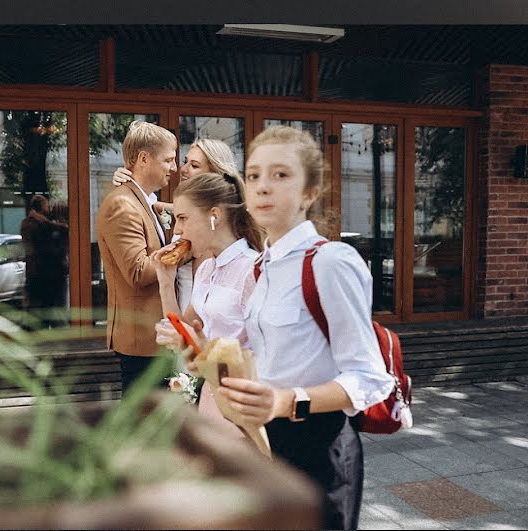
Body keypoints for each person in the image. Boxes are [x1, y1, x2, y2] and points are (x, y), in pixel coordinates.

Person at [174, 126, 394, 530]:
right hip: (266, 441)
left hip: (321, 446)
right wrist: (197, 353)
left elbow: (370, 379)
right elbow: (262, 362)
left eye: (280, 175)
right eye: (255, 175)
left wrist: (285, 402)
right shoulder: (264, 266)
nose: (262, 187)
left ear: (310, 192)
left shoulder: (330, 262)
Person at [150, 172, 262, 438]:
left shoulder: (252, 270)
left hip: (241, 405)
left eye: (183, 218)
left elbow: (270, 356)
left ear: (215, 215)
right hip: (209, 399)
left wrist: (204, 353)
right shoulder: (206, 268)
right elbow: (185, 330)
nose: (176, 230)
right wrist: (165, 282)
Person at [113, 138, 242, 312]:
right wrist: (132, 182)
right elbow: (154, 206)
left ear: (214, 175)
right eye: (185, 161)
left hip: (195, 318)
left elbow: (204, 304)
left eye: (194, 166)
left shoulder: (211, 233)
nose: (183, 169)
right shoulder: (199, 216)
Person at [96, 121, 178, 393]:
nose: (174, 167)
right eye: (168, 159)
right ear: (144, 159)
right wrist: (182, 248)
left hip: (154, 336)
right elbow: (138, 272)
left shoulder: (146, 200)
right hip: (142, 338)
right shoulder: (123, 204)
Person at [20, 194, 69, 327]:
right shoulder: (34, 224)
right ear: (41, 207)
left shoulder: (36, 223)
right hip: (43, 272)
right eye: (47, 206)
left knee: (42, 307)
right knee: (47, 307)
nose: (49, 209)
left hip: (40, 272)